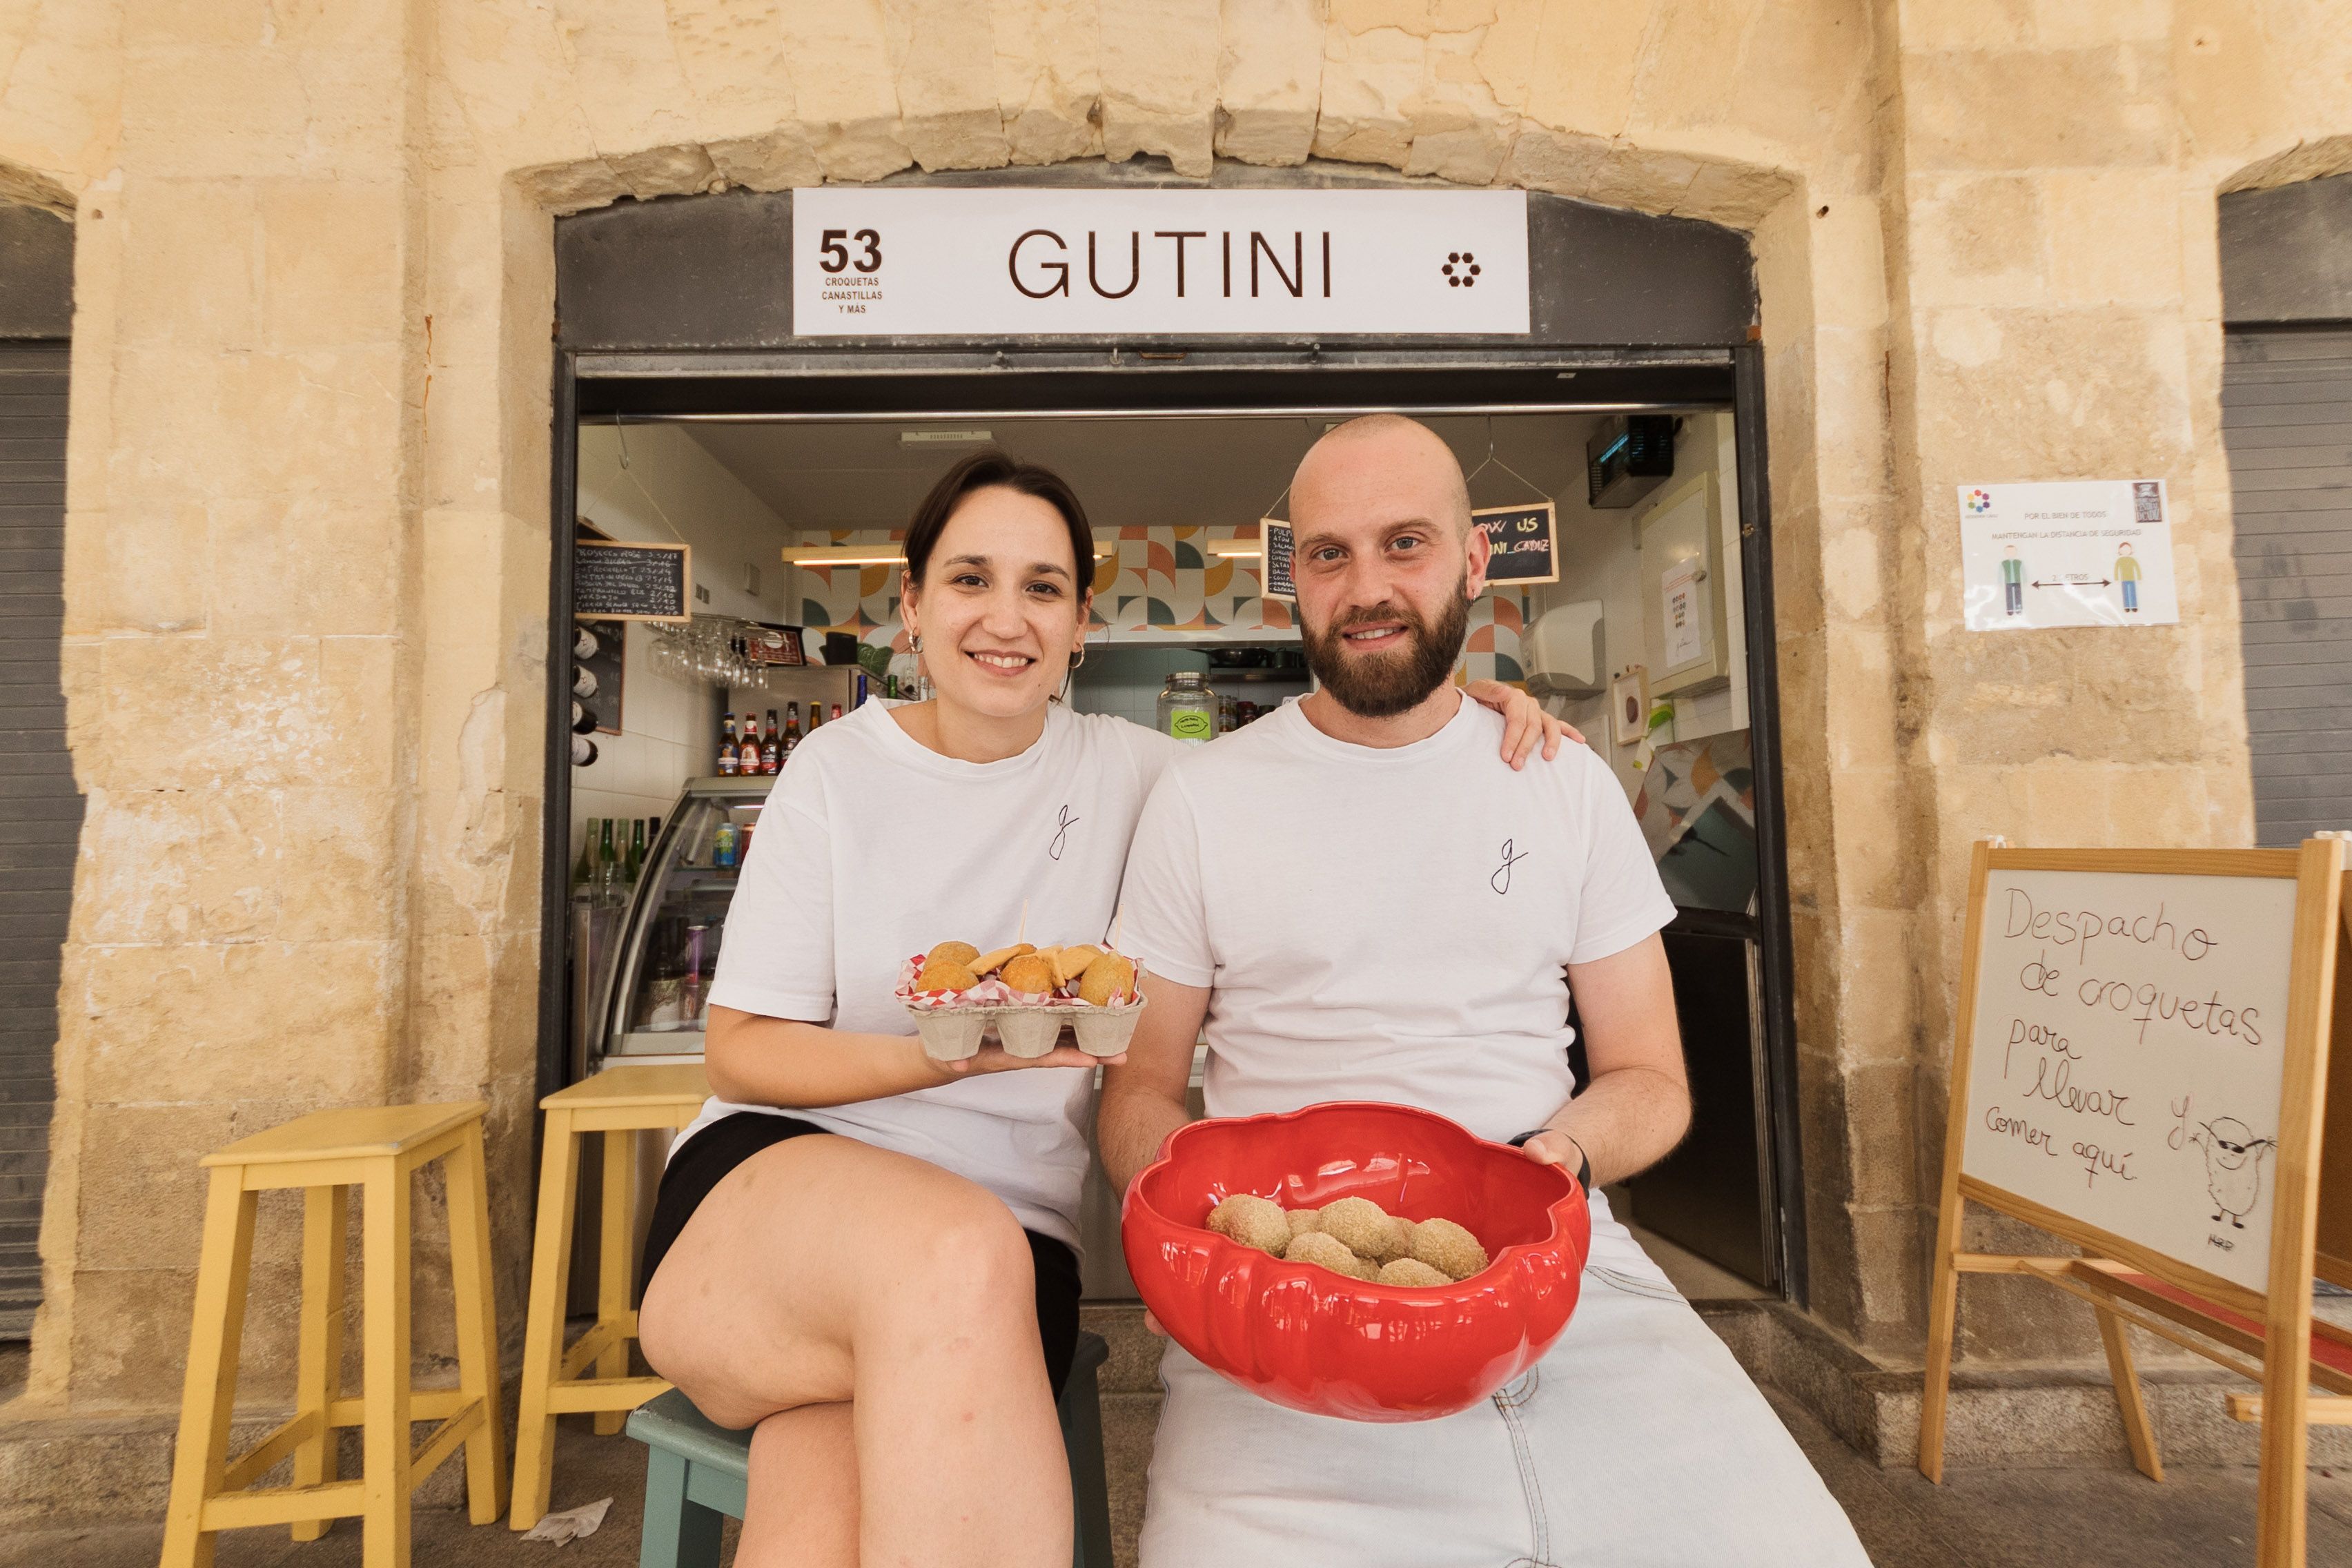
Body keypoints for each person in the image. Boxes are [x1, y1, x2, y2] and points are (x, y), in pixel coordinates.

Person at [634, 447, 1580, 1568]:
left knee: (824, 1497)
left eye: (1042, 587)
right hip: (769, 1213)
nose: (1006, 618)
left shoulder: (1145, 775)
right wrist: (944, 1058)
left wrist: (1463, 708)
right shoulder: (834, 771)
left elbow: (1324, 757)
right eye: (970, 578)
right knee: (947, 1258)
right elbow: (741, 1053)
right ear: (913, 605)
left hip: (1003, 1263)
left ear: (1080, 622)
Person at [1099, 415, 1870, 1567]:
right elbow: (1139, 1090)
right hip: (1286, 1299)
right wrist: (1216, 1232)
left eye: (1405, 543)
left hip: (1570, 1282)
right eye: (1329, 554)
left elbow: (1649, 1078)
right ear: (1293, 579)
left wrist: (1559, 1162)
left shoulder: (1563, 783)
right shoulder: (1202, 800)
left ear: (1472, 561)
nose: (1367, 587)